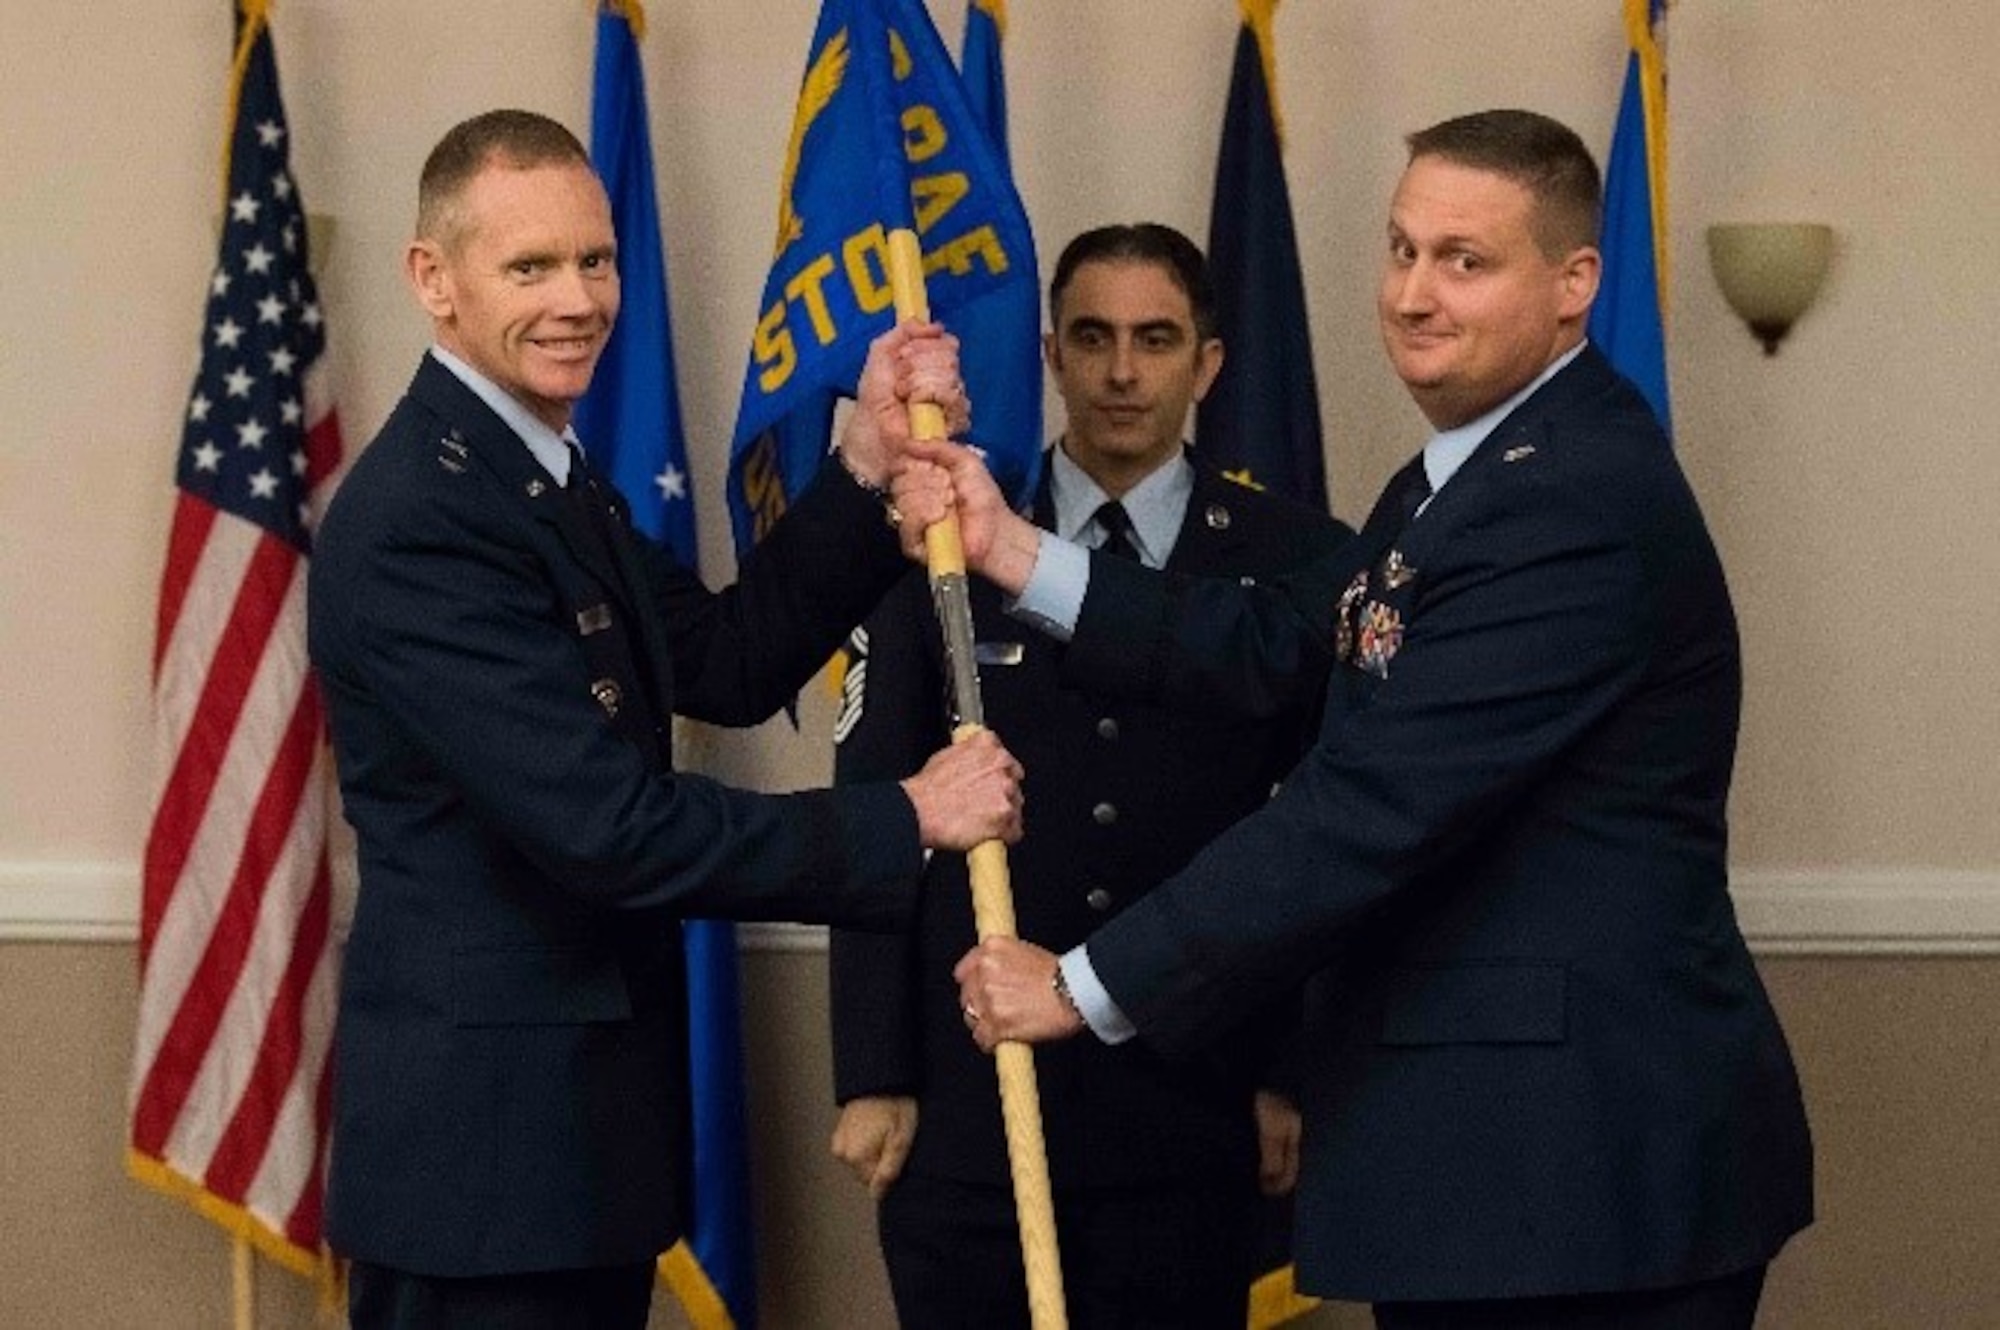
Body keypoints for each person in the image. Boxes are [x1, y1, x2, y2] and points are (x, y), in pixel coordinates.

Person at [928, 110, 1814, 1329]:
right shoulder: (1460, 475)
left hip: (1572, 1179)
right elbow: (1273, 641)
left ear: (1572, 284)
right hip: (1498, 1178)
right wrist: (1013, 549)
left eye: (1464, 259)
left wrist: (1081, 984)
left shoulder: (1568, 500)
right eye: (1401, 251)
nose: (1411, 294)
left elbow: (1369, 806)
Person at [308, 109, 1023, 1330]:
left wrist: (855, 467)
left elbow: (723, 659)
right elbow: (608, 830)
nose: (577, 298)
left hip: (571, 1156)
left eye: (593, 259)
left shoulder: (536, 475)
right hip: (484, 1175)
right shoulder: (425, 517)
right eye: (528, 266)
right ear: (432, 279)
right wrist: (902, 818)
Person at [826, 223, 1352, 1328]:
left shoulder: (1296, 559)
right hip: (973, 1097)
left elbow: (1326, 833)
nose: (1121, 372)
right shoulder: (937, 536)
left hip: (1188, 1094)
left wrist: (1285, 1070)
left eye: (1155, 339)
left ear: (1205, 363)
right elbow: (871, 805)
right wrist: (874, 1067)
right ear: (1051, 354)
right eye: (1093, 337)